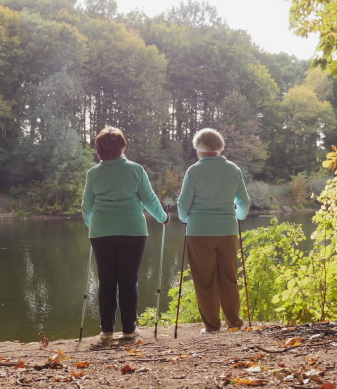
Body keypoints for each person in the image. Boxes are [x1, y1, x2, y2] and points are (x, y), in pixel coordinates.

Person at [82, 126, 169, 344]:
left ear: (98, 149)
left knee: (107, 281)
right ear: (122, 146)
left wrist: (93, 226)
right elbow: (149, 199)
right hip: (133, 231)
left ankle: (107, 332)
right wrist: (163, 218)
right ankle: (129, 329)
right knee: (129, 281)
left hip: (101, 232)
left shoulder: (93, 174)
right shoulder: (135, 169)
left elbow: (87, 207)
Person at [177, 128, 250, 334]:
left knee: (204, 279)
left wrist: (184, 220)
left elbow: (183, 205)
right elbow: (243, 202)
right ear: (219, 147)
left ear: (198, 149)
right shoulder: (233, 169)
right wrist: (240, 217)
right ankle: (234, 322)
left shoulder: (194, 170)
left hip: (199, 231)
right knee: (228, 276)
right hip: (227, 229)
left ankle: (211, 326)